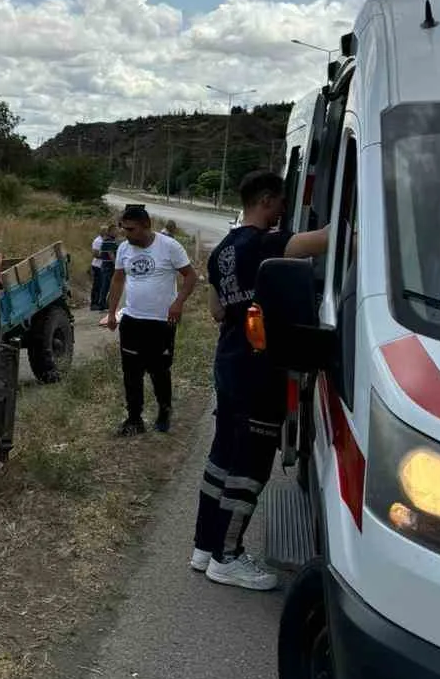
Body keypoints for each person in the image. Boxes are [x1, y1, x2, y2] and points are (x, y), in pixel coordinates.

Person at [192, 169, 330, 591]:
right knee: (251, 467)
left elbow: (217, 311)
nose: (283, 211)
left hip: (230, 361)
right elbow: (323, 241)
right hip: (259, 368)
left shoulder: (223, 251)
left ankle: (205, 546)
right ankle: (227, 557)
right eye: (281, 203)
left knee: (222, 457)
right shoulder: (265, 244)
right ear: (267, 200)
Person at [106, 205, 198, 435]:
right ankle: (134, 419)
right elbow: (117, 281)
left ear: (146, 226)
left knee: (159, 370)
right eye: (124, 229)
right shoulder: (124, 249)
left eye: (131, 229)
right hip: (132, 320)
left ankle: (164, 410)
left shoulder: (169, 246)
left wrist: (178, 303)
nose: (127, 234)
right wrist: (111, 312)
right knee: (131, 372)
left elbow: (190, 276)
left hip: (161, 321)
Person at [90, 222, 119, 310]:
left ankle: (103, 303)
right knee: (100, 285)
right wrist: (114, 262)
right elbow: (96, 254)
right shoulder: (99, 241)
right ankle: (96, 303)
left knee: (104, 285)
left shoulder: (107, 240)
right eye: (105, 231)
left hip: (104, 265)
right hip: (100, 265)